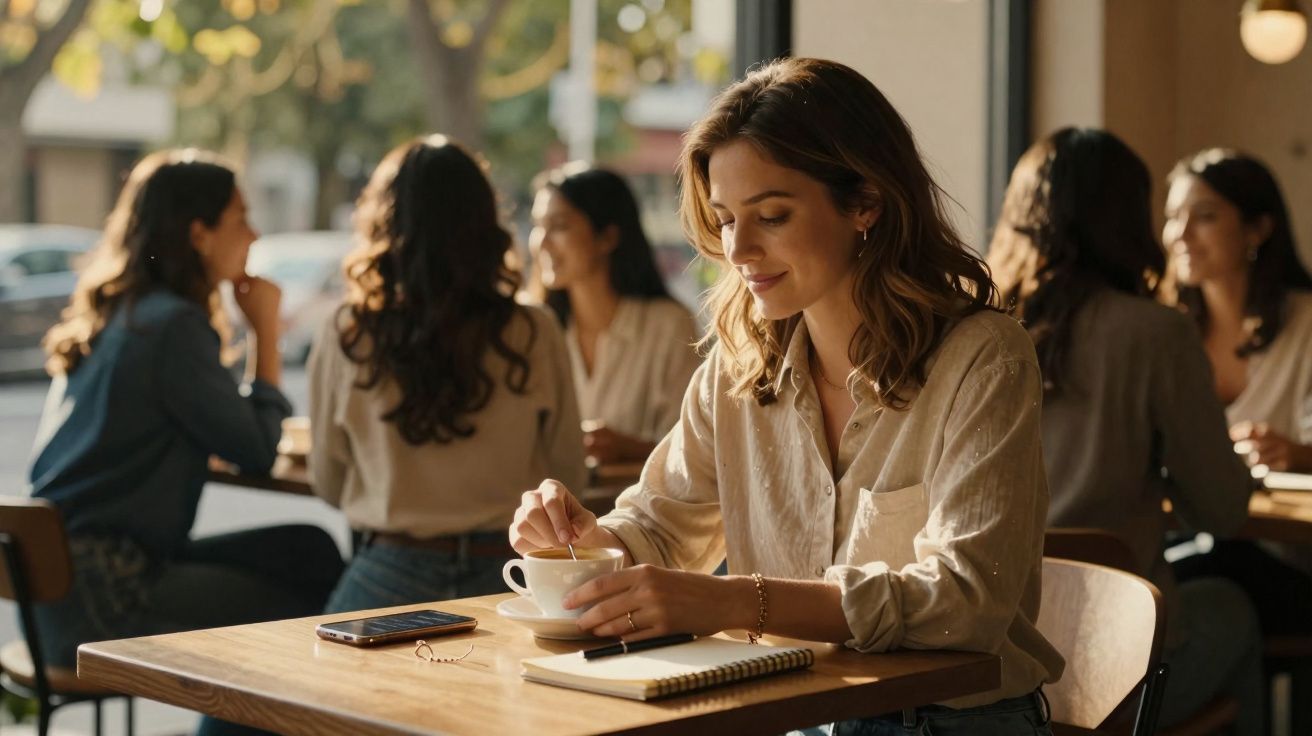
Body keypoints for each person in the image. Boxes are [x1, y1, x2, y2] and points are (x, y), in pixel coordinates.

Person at [509, 57, 1063, 735]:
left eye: (771, 215)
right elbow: (659, 529)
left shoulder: (982, 359)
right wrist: (584, 542)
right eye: (724, 218)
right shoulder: (739, 366)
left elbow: (966, 601)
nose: (738, 249)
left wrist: (738, 603)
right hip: (786, 710)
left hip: (943, 724)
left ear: (866, 203)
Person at [989, 128, 1262, 731]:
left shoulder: (974, 328)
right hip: (1111, 661)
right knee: (1235, 608)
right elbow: (1220, 509)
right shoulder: (1156, 334)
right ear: (1127, 220)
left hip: (991, 665)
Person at [28, 149, 344, 669]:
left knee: (307, 549)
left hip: (61, 592)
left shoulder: (123, 312)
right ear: (199, 234)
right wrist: (265, 330)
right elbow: (259, 450)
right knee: (312, 608)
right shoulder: (171, 326)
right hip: (108, 598)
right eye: (241, 218)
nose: (255, 235)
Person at [308, 135, 587, 613]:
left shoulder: (349, 333)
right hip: (512, 573)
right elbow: (568, 474)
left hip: (389, 569)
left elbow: (329, 483)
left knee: (318, 679)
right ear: (484, 223)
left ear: (383, 223)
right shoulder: (534, 330)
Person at [1165, 148, 1312, 639]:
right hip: (1200, 539)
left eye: (1204, 217)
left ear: (1258, 229)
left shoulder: (1306, 325)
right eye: (1172, 218)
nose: (1180, 235)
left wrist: (1296, 454)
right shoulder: (1166, 332)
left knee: (1187, 578)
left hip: (1288, 558)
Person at [529, 163, 700, 465]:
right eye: (538, 225)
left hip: (640, 509)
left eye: (558, 226)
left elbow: (699, 453)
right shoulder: (537, 330)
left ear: (607, 237)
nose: (540, 242)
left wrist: (629, 448)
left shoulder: (668, 326)